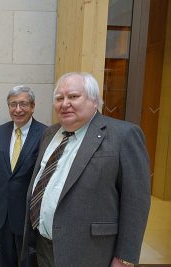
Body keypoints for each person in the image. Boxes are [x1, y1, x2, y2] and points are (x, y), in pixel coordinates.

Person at [22, 72, 151, 267]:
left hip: (89, 253)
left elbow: (136, 202)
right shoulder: (49, 134)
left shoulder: (123, 135)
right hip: (43, 247)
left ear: (94, 100)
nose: (65, 103)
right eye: (59, 98)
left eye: (73, 96)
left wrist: (125, 258)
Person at [0, 85, 47, 267]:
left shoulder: (45, 133)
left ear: (33, 106)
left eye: (23, 104)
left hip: (29, 216)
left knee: (28, 263)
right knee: (4, 261)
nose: (18, 109)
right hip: (0, 213)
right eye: (13, 105)